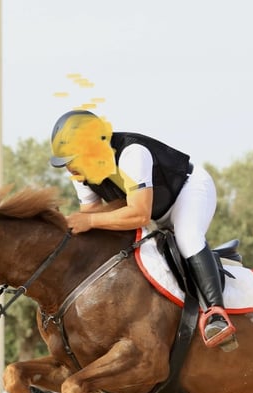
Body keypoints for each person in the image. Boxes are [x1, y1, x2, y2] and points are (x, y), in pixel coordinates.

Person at [49, 109, 236, 349]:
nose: (69, 169)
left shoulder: (132, 153)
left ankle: (216, 314)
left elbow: (139, 214)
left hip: (188, 191)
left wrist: (90, 221)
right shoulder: (82, 175)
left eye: (72, 159)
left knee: (187, 237)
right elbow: (93, 217)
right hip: (154, 207)